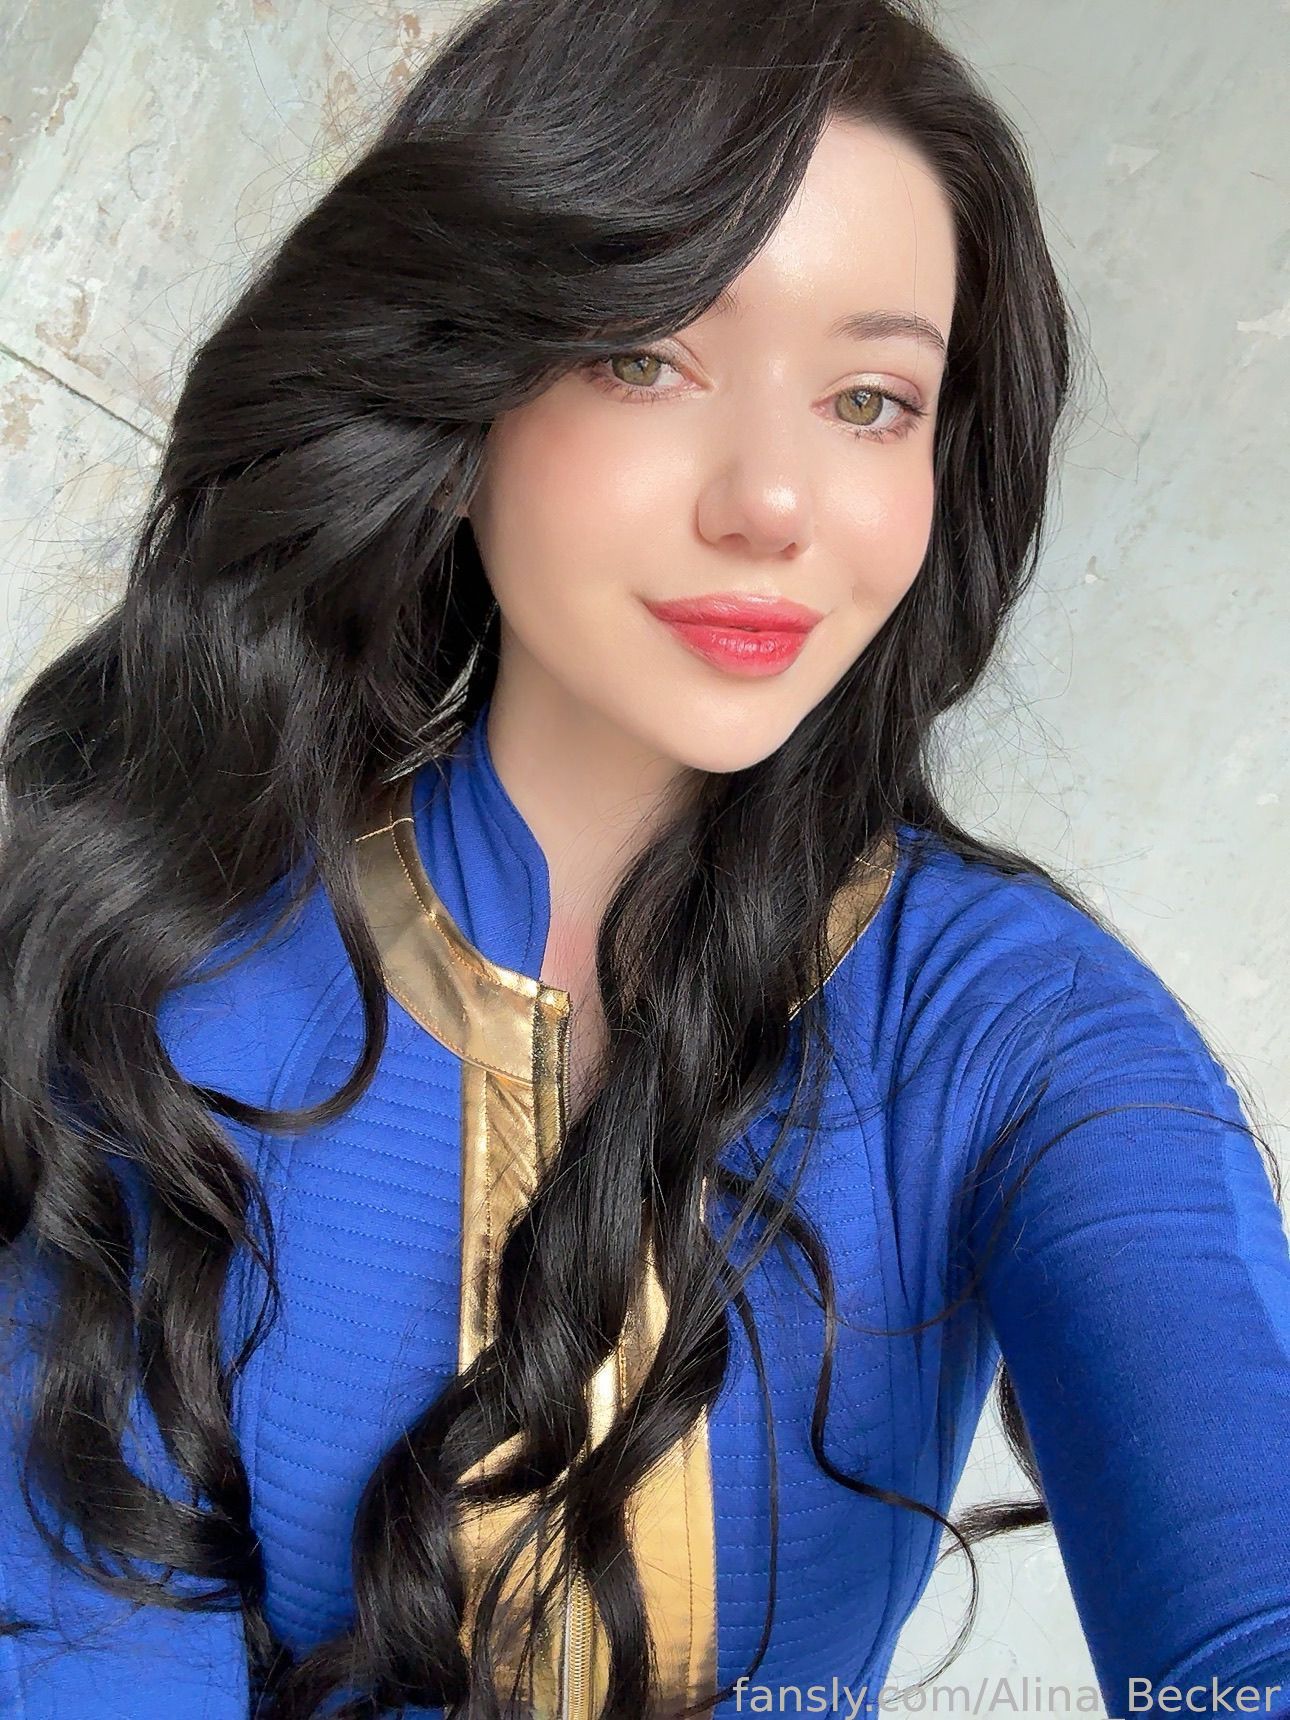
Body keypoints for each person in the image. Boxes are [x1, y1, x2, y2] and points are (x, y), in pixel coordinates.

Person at [2, 0, 1288, 1717]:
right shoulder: (160, 957)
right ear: (458, 384)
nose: (771, 502)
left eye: (868, 399)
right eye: (644, 358)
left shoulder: (1020, 1037)